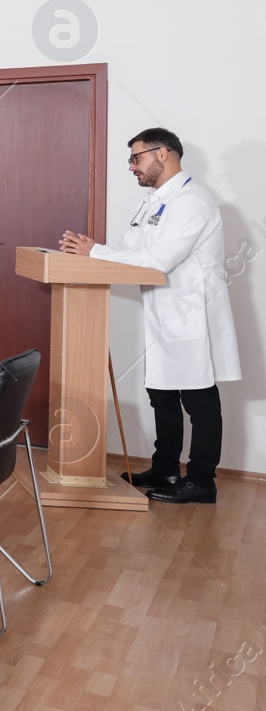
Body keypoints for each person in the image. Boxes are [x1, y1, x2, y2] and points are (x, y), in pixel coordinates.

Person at [60, 128, 240, 505]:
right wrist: (88, 252)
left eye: (136, 158)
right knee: (161, 392)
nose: (132, 167)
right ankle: (165, 468)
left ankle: (202, 479)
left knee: (199, 399)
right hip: (162, 310)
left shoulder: (192, 201)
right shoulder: (153, 203)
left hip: (192, 314)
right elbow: (128, 249)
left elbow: (159, 260)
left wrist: (94, 253)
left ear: (164, 154)